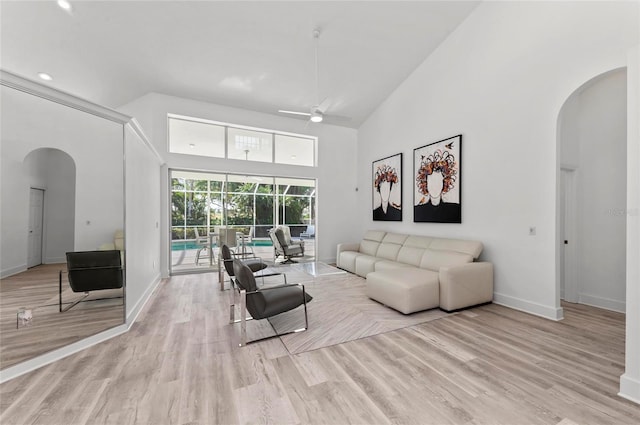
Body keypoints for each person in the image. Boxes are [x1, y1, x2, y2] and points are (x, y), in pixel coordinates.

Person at [414, 149, 461, 223]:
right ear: (425, 184)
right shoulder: (416, 211)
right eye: (431, 181)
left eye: (438, 181)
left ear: (444, 183)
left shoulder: (455, 209)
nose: (434, 186)